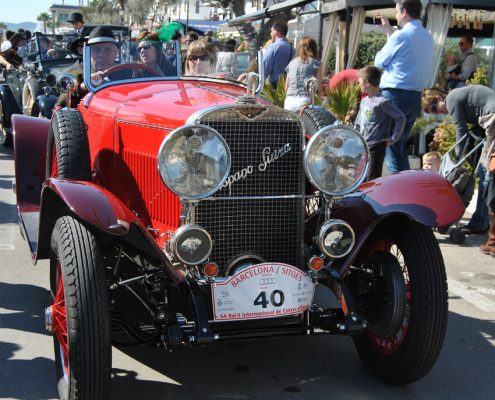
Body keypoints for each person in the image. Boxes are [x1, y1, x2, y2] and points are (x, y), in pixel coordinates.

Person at [422, 85, 495, 235]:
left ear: (439, 98)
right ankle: (484, 221)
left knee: (485, 173)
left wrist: (456, 158)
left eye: (434, 108)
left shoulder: (451, 99)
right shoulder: (458, 96)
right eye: (434, 112)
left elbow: (461, 131)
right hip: (489, 118)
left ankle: (480, 223)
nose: (438, 113)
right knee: (488, 173)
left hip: (492, 119)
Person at [374, 0, 433, 174]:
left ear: (404, 12)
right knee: (399, 147)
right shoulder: (427, 36)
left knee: (391, 147)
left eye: (397, 11)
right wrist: (389, 32)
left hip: (395, 95)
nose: (396, 15)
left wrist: (391, 34)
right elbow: (403, 55)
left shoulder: (401, 35)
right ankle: (407, 185)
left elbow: (379, 62)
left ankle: (398, 188)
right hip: (414, 97)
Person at [354, 66, 406, 180]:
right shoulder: (364, 101)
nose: (359, 85)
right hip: (363, 144)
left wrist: (393, 138)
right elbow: (358, 122)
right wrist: (355, 137)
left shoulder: (382, 101)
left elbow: (401, 117)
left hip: (376, 146)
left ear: (367, 83)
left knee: (372, 179)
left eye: (360, 83)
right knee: (359, 178)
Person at [283, 36, 323, 113]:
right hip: (305, 100)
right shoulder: (316, 63)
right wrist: (320, 101)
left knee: (290, 121)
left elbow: (286, 88)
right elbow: (319, 88)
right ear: (314, 48)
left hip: (289, 101)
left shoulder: (291, 63)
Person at [263, 20, 294, 88]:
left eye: (272, 31)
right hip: (287, 87)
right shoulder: (292, 49)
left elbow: (264, 69)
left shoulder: (273, 47)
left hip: (273, 88)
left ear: (276, 31)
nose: (270, 33)